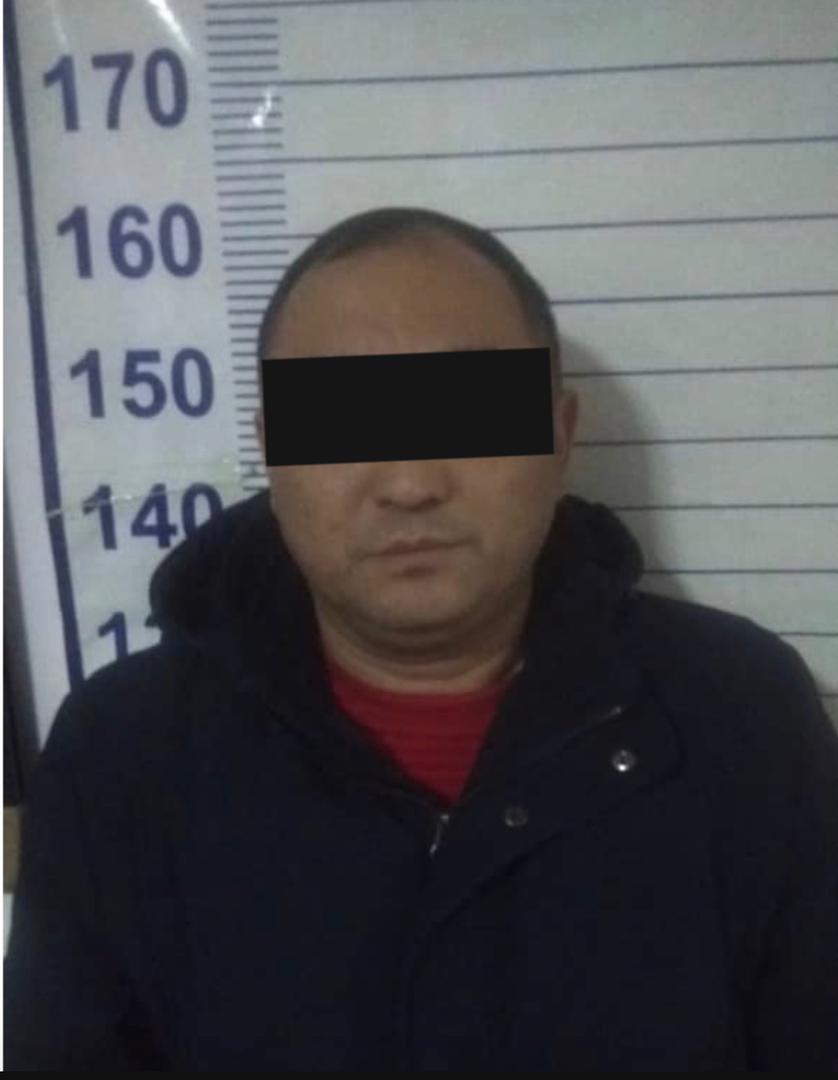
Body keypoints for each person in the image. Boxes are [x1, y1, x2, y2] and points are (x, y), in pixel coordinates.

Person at [5, 206, 837, 1071]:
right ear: (274, 454)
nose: (409, 482)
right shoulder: (118, 758)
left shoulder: (745, 716)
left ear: (560, 438)